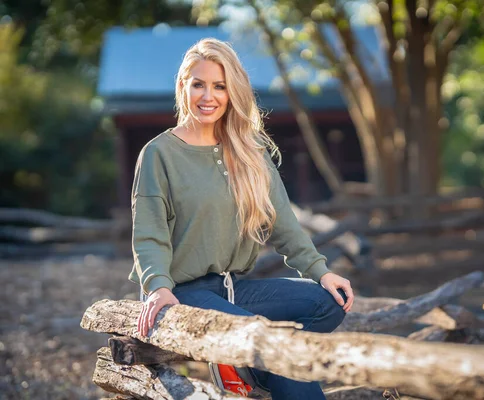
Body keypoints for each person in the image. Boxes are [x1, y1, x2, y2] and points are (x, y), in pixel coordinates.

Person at [128, 38, 355, 399]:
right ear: (183, 86)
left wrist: (321, 271)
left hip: (233, 289)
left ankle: (253, 369)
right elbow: (149, 233)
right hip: (182, 295)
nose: (209, 96)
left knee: (328, 302)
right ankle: (261, 366)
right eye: (198, 84)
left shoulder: (250, 152)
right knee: (274, 348)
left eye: (220, 86)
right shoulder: (159, 153)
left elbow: (284, 225)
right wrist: (157, 287)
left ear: (233, 91)